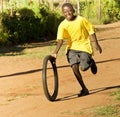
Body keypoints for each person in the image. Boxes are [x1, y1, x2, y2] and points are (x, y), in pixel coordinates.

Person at [52, 3, 102, 97]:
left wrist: (96, 44)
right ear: (63, 13)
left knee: (83, 68)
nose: (68, 13)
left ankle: (91, 62)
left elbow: (91, 30)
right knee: (74, 67)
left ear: (73, 10)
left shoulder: (81, 20)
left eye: (69, 10)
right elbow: (60, 40)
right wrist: (55, 52)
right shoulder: (62, 25)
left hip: (84, 46)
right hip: (72, 48)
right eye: (65, 12)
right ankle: (84, 88)